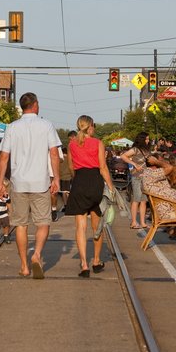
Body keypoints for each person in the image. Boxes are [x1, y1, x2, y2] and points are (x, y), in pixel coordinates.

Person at [0, 93, 61, 278]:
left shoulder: (12, 127)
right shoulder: (46, 125)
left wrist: (0, 183)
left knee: (21, 225)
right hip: (40, 182)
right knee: (43, 223)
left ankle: (24, 265)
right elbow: (54, 153)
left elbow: (4, 157)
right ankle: (37, 254)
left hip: (19, 183)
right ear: (35, 105)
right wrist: (56, 178)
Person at [65, 116, 112, 277]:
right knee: (97, 226)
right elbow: (103, 167)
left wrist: (76, 179)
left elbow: (71, 167)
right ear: (91, 127)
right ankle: (96, 261)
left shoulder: (71, 145)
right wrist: (111, 188)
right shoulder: (98, 143)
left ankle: (84, 264)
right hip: (95, 183)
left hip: (79, 181)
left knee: (80, 226)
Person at [120, 132, 153, 230]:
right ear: (142, 139)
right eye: (146, 139)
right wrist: (134, 164)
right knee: (136, 199)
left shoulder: (146, 150)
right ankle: (134, 222)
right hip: (137, 177)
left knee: (143, 200)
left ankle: (142, 222)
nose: (148, 141)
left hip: (145, 177)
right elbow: (123, 156)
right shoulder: (135, 149)